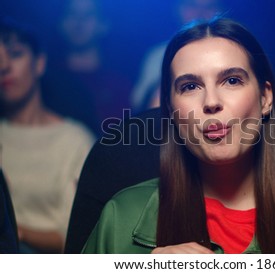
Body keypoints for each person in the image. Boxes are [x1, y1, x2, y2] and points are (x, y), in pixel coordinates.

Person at [82, 18, 275, 254]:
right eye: (190, 86)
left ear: (265, 97)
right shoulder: (118, 218)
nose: (211, 101)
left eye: (232, 80)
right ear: (170, 109)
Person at [0, 17, 94, 253]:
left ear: (39, 63)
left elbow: (78, 236)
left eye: (15, 54)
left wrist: (15, 232)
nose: (3, 66)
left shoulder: (74, 140)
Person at [43, 0, 132, 136]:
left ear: (104, 24)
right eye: (72, 14)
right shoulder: (46, 81)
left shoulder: (119, 85)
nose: (79, 22)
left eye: (88, 15)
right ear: (61, 23)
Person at [130, 0, 223, 112]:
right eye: (192, 6)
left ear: (220, 10)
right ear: (178, 9)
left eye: (209, 7)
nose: (200, 13)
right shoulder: (158, 55)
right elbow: (141, 102)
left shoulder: (232, 50)